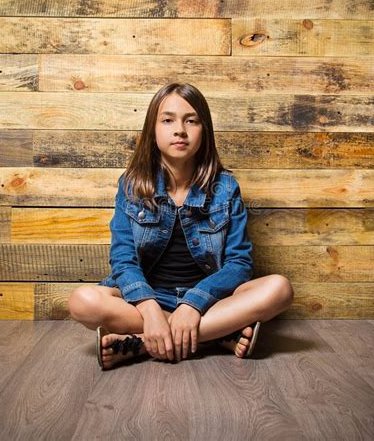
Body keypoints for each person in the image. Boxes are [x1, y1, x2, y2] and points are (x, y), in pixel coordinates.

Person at [68, 82, 294, 370]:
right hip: (146, 300)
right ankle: (211, 336)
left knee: (279, 289)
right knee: (82, 301)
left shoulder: (225, 187)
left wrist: (193, 304)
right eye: (168, 120)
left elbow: (239, 264)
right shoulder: (132, 185)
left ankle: (143, 342)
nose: (180, 130)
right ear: (153, 129)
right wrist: (149, 310)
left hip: (211, 302)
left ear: (205, 130)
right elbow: (123, 260)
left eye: (191, 120)